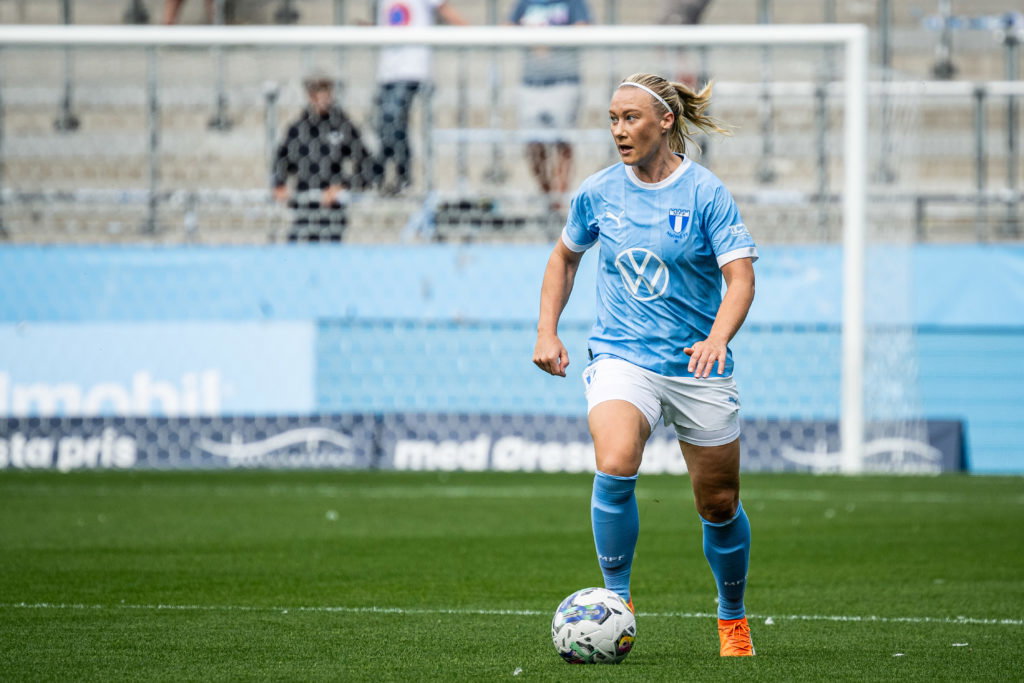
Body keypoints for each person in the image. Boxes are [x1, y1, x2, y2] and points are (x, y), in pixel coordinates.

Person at [532, 72, 758, 657]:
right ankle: (616, 601)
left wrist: (716, 339)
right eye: (612, 119)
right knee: (615, 461)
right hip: (622, 355)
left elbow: (740, 278)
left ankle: (731, 617)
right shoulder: (598, 192)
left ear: (665, 121)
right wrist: (547, 330)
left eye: (630, 118)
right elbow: (564, 258)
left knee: (718, 503)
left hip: (696, 365)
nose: (619, 130)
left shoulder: (705, 192)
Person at [373, 1, 468, 195]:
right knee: (384, 125)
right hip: (387, 71)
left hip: (412, 69)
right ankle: (385, 176)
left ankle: (400, 176)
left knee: (394, 120)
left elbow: (444, 9)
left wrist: (473, 32)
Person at [271, 71, 375, 242]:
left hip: (332, 208)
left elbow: (367, 164)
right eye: (316, 91)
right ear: (309, 95)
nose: (322, 97)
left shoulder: (342, 126)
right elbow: (281, 160)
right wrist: (279, 184)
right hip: (303, 204)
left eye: (325, 91)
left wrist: (342, 186)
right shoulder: (298, 128)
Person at [508, 0, 592, 211]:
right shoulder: (525, 3)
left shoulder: (573, 2)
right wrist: (532, 37)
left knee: (563, 142)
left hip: (564, 81)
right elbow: (507, 28)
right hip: (531, 83)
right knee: (533, 144)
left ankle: (559, 200)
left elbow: (583, 29)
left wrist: (549, 39)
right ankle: (547, 196)